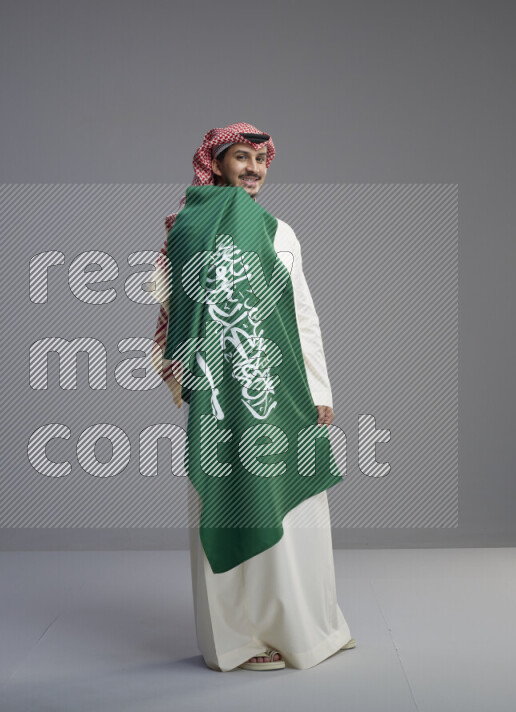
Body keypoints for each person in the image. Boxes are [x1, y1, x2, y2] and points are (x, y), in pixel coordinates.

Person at [150, 122, 355, 672]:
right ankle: (237, 640)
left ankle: (310, 628)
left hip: (281, 384)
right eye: (242, 157)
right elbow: (175, 301)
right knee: (232, 501)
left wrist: (318, 386)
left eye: (261, 160)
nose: (254, 169)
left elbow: (301, 314)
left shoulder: (279, 231)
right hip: (224, 393)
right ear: (214, 163)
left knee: (297, 511)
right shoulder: (187, 227)